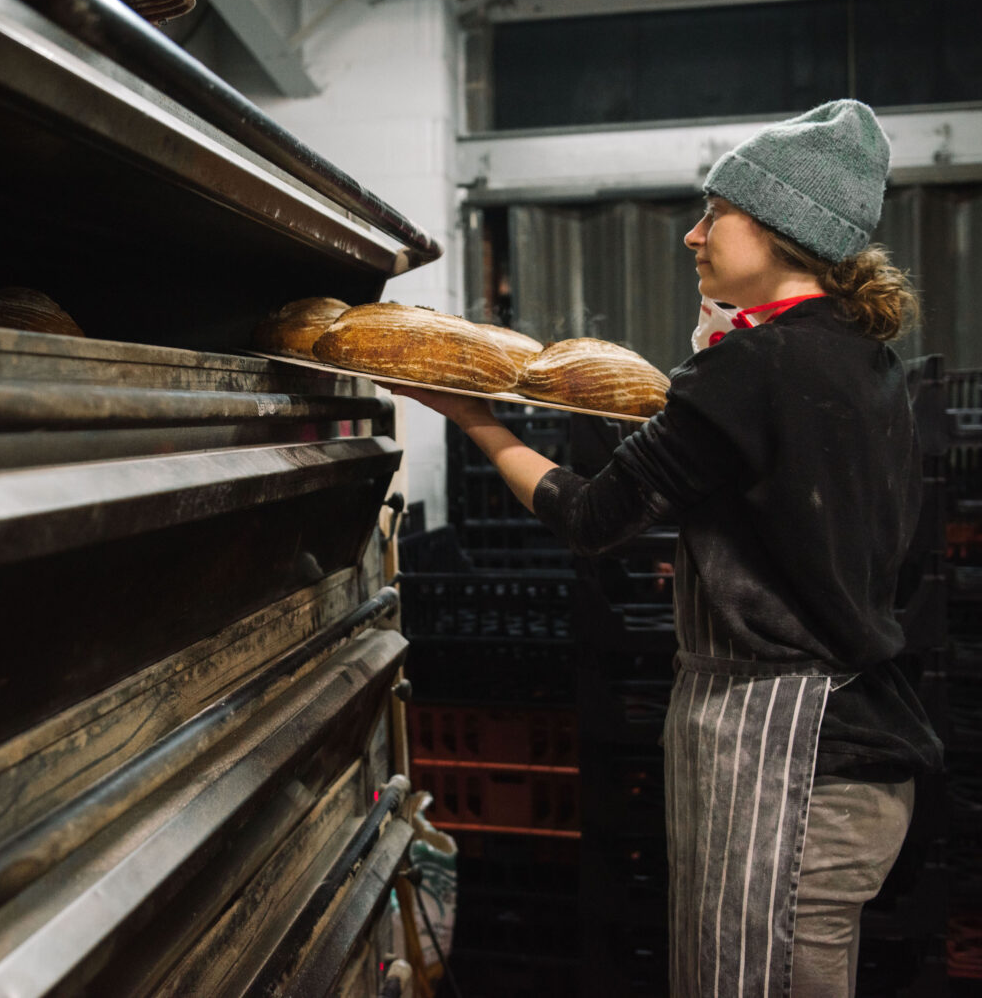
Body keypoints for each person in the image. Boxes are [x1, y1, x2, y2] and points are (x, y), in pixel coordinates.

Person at [391, 99, 944, 997]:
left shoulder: (751, 367)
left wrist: (476, 420)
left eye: (713, 213)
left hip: (789, 766)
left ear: (777, 230)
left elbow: (591, 515)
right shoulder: (861, 359)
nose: (692, 235)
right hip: (856, 758)